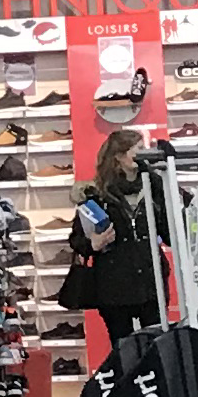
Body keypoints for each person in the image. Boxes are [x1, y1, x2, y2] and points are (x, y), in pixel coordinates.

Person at [66, 121, 158, 342]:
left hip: (150, 280)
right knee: (122, 346)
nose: (144, 155)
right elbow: (77, 239)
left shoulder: (154, 185)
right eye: (138, 149)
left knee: (156, 342)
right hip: (113, 284)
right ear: (119, 156)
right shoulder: (97, 195)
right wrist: (93, 244)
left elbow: (170, 225)